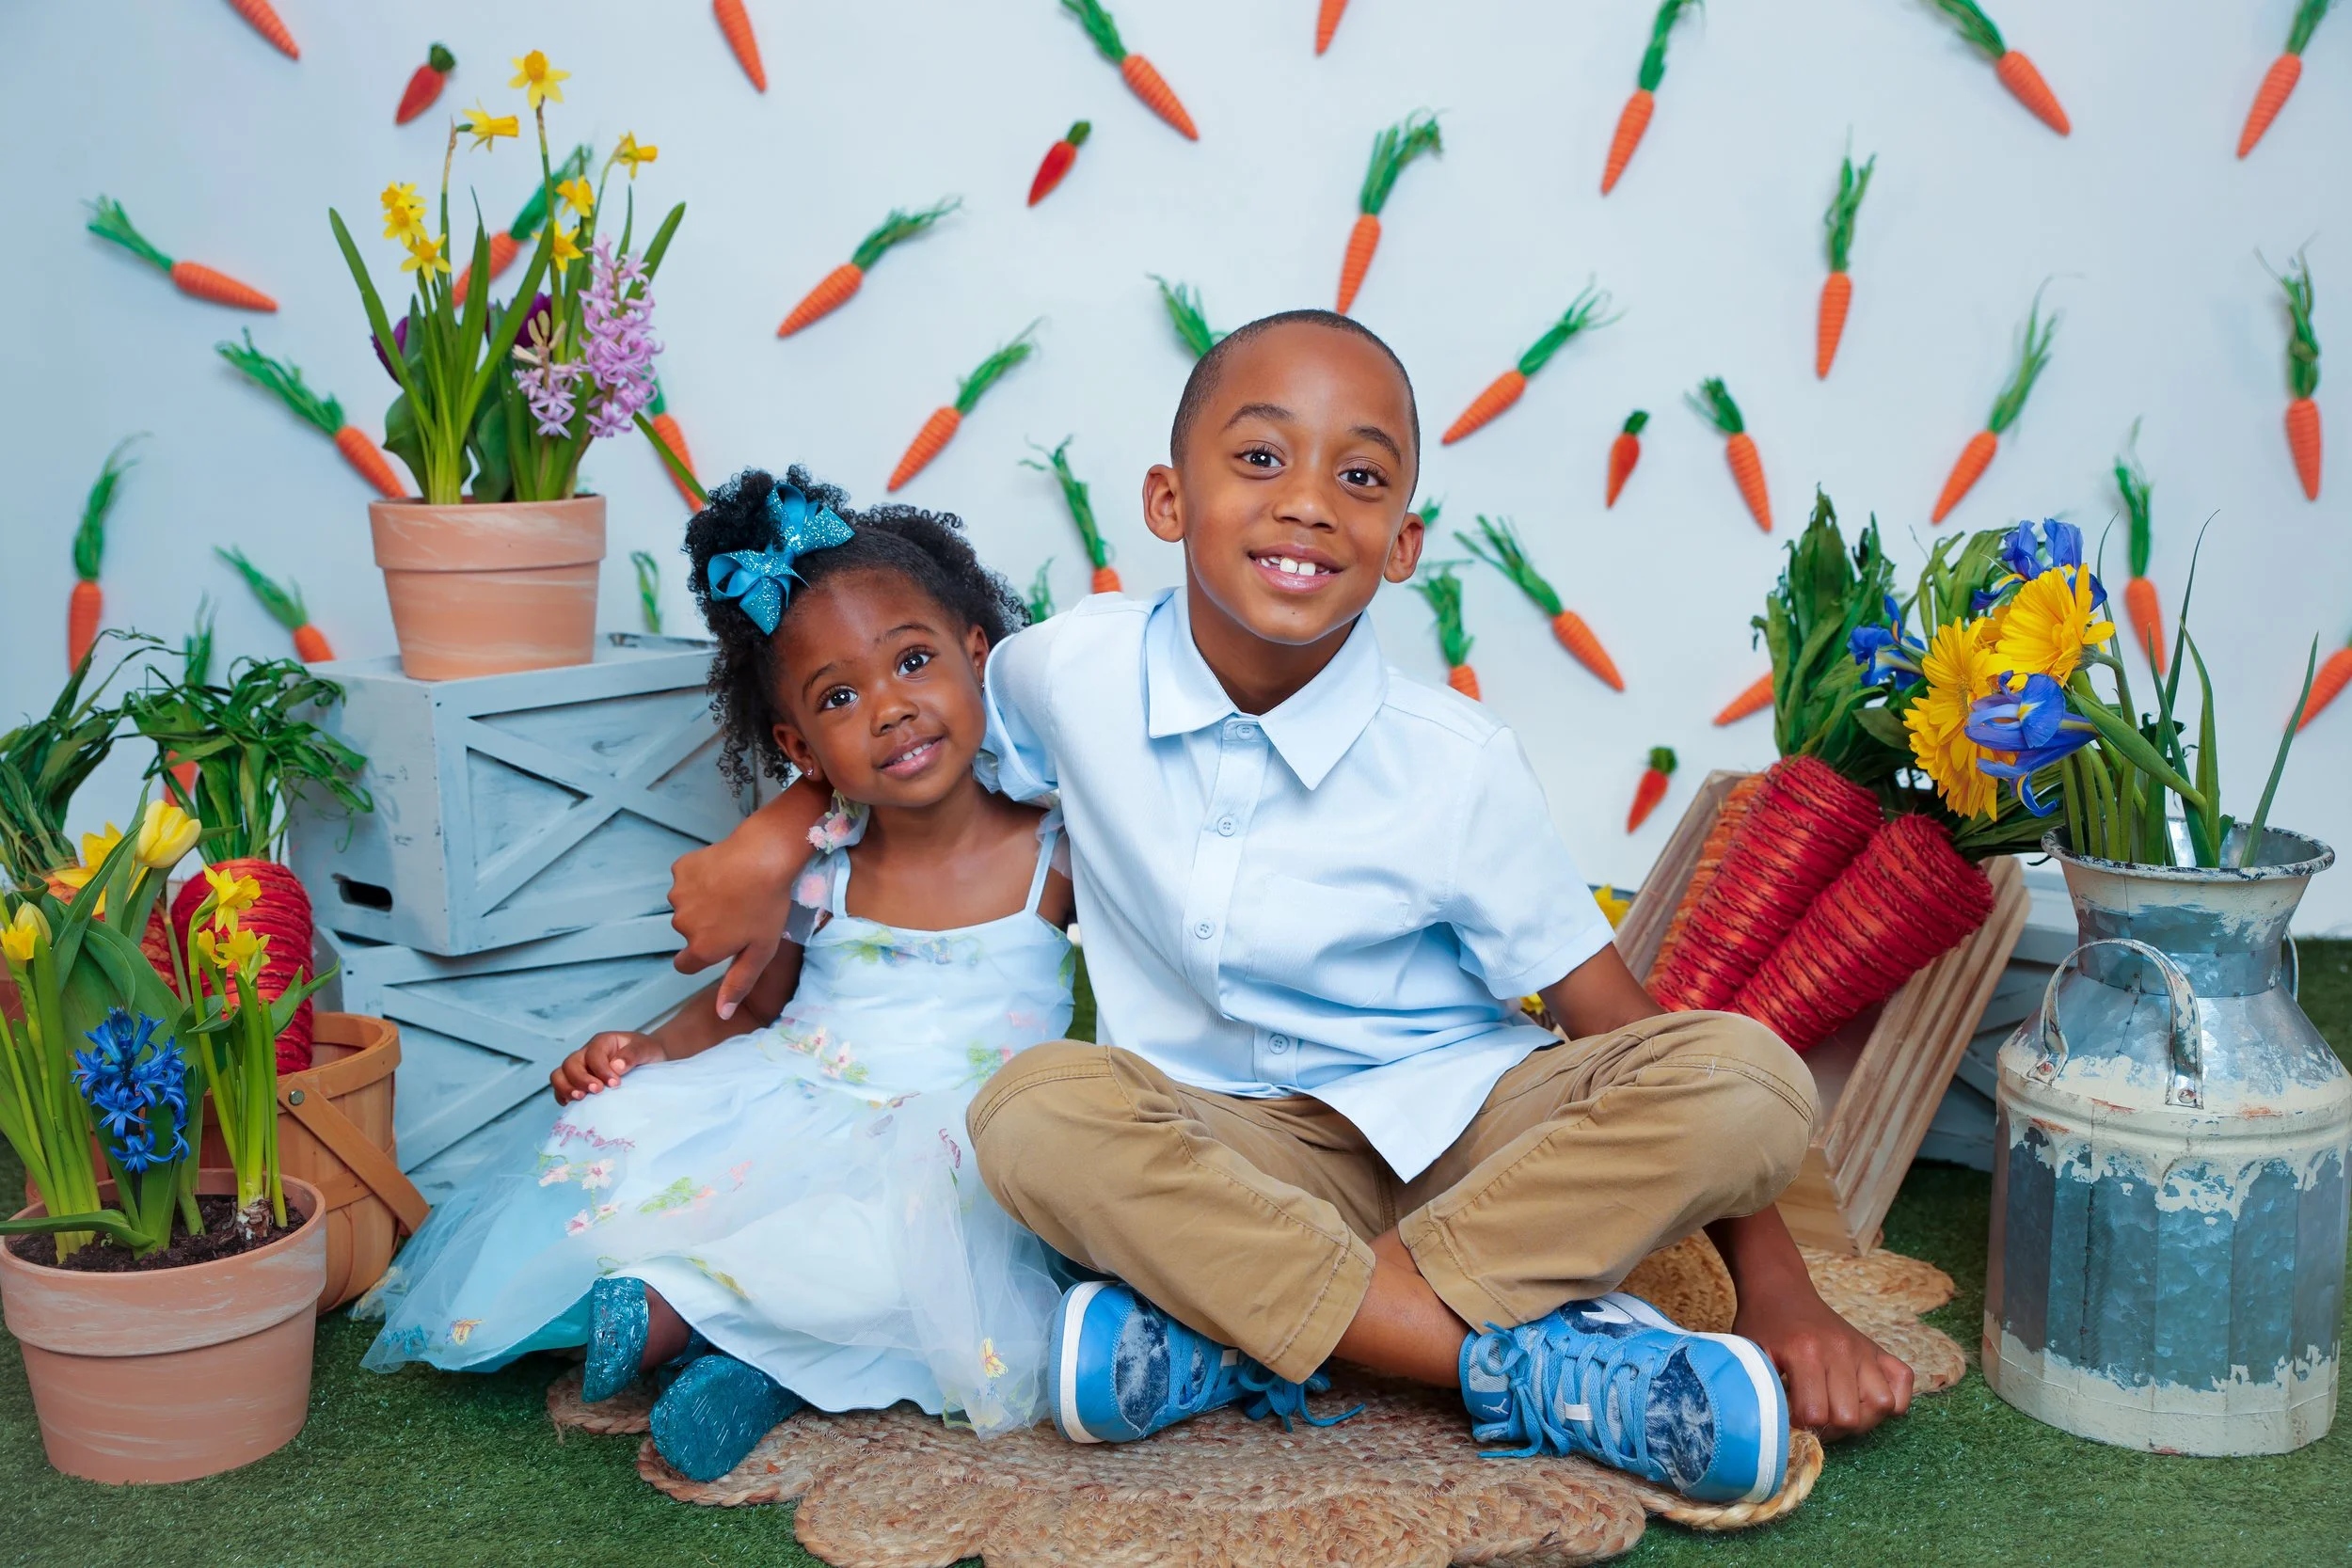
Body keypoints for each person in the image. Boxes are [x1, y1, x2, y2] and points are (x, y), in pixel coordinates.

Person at [666, 313, 1915, 1505]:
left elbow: (1615, 1021)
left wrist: (1779, 1286)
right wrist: (771, 837)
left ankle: (1239, 1330)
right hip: (1224, 1145)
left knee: (1745, 1077)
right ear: (1169, 501)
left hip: (1462, 1138)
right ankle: (1515, 1360)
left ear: (1404, 541)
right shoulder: (1065, 670)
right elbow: (912, 747)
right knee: (1034, 1112)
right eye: (1260, 456)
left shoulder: (1455, 759)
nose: (1309, 499)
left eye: (1360, 476)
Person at [358, 468, 1077, 1484]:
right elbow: (751, 1001)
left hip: (960, 1130)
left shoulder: (1054, 846)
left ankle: (683, 1313)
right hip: (806, 1092)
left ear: (977, 656)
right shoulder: (824, 856)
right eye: (839, 696)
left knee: (905, 1235)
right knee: (632, 1144)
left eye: (912, 660)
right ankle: (751, 1360)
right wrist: (652, 1051)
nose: (890, 708)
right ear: (799, 745)